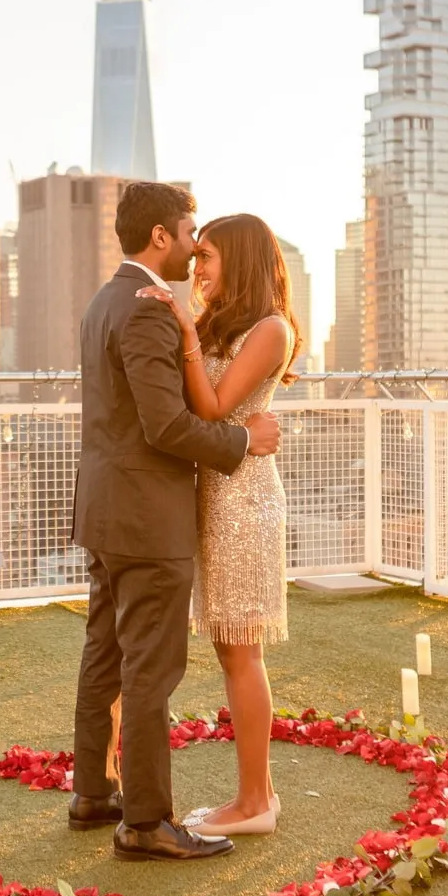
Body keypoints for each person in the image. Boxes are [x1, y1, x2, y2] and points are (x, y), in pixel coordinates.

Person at [69, 182, 283, 862]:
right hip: (146, 518)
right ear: (160, 236)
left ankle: (95, 793)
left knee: (105, 655)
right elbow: (166, 425)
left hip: (108, 511)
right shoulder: (149, 310)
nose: (194, 253)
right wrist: (245, 441)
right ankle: (145, 821)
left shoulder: (108, 301)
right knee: (148, 671)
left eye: (208, 246)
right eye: (191, 235)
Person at [134, 213, 299, 837]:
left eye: (207, 255)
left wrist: (182, 327)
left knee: (241, 652)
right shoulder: (222, 321)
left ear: (242, 258)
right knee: (231, 650)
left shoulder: (271, 327)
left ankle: (255, 803)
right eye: (196, 254)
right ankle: (259, 796)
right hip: (215, 494)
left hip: (243, 502)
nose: (196, 267)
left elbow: (212, 405)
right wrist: (188, 326)